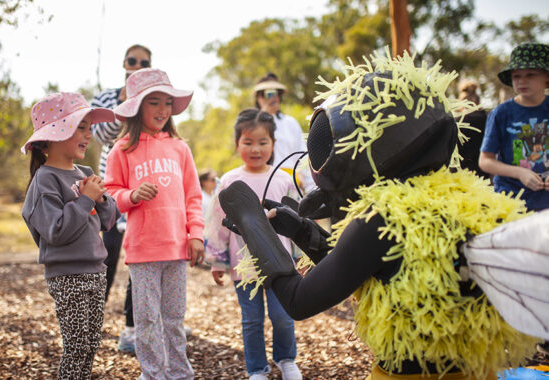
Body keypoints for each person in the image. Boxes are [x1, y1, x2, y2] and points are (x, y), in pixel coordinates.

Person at [219, 52, 540, 379]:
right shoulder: (479, 201)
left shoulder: (381, 218)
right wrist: (302, 230)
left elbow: (300, 300)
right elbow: (368, 265)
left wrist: (256, 229)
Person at [104, 68, 204, 380]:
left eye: (167, 103)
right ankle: (152, 373)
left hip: (176, 248)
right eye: (154, 103)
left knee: (174, 318)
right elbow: (109, 194)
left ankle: (179, 372)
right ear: (136, 108)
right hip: (143, 249)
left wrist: (196, 235)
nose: (162, 110)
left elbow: (193, 196)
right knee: (147, 320)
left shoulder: (179, 148)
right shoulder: (121, 150)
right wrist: (131, 195)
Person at [20, 92, 119, 380]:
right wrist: (86, 199)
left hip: (96, 271)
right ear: (54, 134)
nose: (89, 135)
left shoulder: (84, 173)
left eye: (89, 127)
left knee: (90, 346)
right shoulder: (45, 180)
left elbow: (109, 221)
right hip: (67, 275)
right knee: (76, 347)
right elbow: (56, 231)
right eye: (81, 127)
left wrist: (100, 200)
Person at [205, 109, 303, 380]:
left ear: (273, 143)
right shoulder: (228, 181)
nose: (256, 149)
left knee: (283, 317)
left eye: (263, 142)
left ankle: (286, 359)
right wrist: (217, 260)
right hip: (244, 266)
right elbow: (217, 222)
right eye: (248, 142)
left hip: (281, 263)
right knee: (252, 321)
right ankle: (256, 368)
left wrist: (301, 258)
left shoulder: (284, 179)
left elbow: (297, 223)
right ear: (237, 144)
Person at [91, 44, 152, 353]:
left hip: (142, 192)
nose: (137, 65)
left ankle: (130, 327)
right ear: (124, 64)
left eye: (144, 62)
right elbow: (100, 134)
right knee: (105, 261)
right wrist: (125, 103)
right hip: (110, 193)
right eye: (133, 61)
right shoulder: (105, 97)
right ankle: (91, 324)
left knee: (138, 265)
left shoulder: (150, 102)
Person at [479, 42, 549, 212]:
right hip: (511, 204)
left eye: (530, 75)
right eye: (516, 76)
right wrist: (519, 172)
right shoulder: (501, 113)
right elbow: (485, 161)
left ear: (546, 77)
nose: (522, 81)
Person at [254, 73, 312, 192]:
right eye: (268, 94)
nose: (273, 98)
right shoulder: (252, 123)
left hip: (291, 183)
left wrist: (310, 186)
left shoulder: (290, 123)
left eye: (276, 93)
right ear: (259, 97)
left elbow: (303, 156)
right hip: (263, 183)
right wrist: (263, 114)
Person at [455, 79, 488, 178]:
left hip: (457, 176)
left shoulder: (455, 122)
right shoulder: (487, 120)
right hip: (483, 175)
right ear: (478, 103)